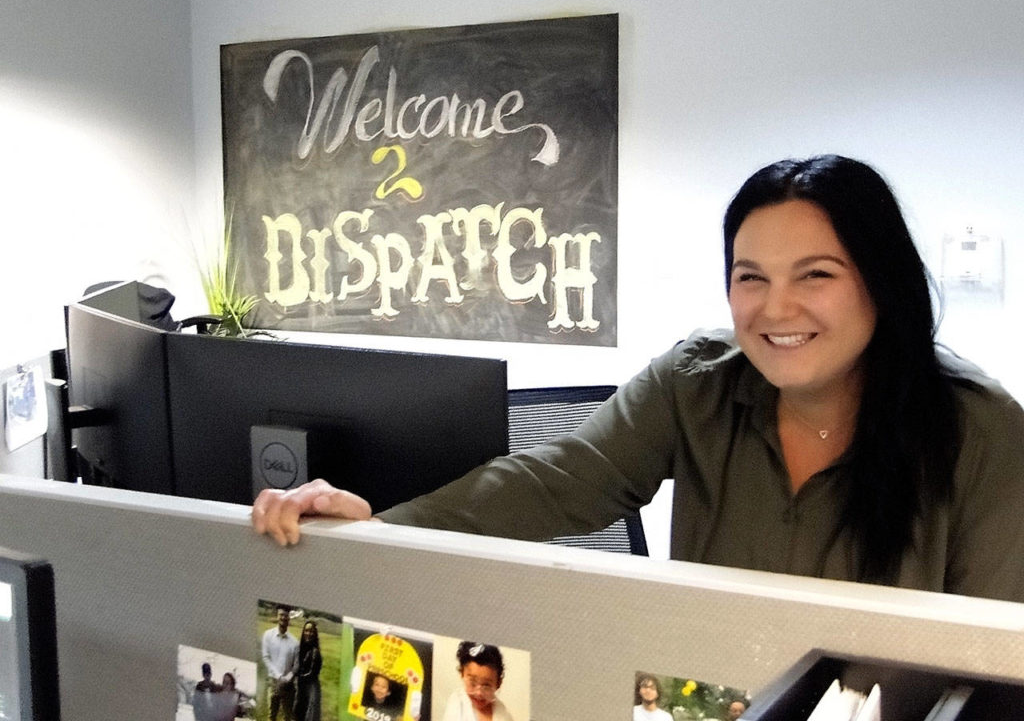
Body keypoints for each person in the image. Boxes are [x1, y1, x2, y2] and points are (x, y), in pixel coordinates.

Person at [251, 155, 1024, 602]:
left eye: (815, 274)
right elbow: (559, 479)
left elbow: (993, 661)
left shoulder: (981, 430)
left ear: (878, 284)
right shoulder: (698, 383)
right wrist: (384, 529)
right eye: (750, 276)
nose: (775, 308)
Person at [442, 642, 513, 721]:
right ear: (462, 674)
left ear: (498, 684)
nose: (479, 693)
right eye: (472, 683)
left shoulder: (503, 714)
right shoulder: (457, 704)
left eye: (486, 685)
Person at [262, 606, 299, 721]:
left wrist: (288, 678)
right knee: (272, 715)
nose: (283, 617)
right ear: (277, 616)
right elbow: (266, 657)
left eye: (286, 615)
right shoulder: (268, 635)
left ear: (289, 618)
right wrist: (278, 676)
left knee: (287, 716)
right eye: (281, 615)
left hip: (288, 684)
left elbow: (296, 665)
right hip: (273, 681)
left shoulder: (295, 642)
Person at [293, 620, 322, 721]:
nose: (308, 634)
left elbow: (312, 674)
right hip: (301, 686)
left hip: (310, 689)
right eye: (306, 631)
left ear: (315, 634)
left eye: (311, 631)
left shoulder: (315, 652)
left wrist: (296, 676)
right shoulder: (300, 648)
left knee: (308, 715)